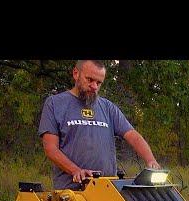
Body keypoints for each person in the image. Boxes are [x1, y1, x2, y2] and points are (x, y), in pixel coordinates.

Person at [38, 60, 161, 189]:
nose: (94, 86)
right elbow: (50, 149)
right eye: (89, 80)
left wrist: (151, 160)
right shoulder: (55, 104)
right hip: (72, 192)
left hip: (107, 189)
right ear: (76, 73)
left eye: (98, 83)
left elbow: (132, 135)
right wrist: (76, 170)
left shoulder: (108, 108)